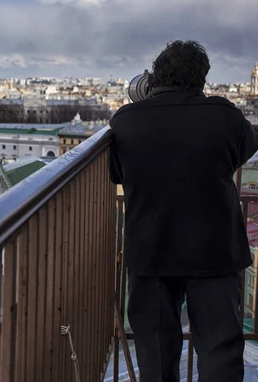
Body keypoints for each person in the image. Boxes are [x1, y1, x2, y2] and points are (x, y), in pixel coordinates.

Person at [109, 40, 258, 382]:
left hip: (150, 250)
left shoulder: (126, 120)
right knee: (219, 348)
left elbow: (117, 173)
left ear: (154, 77)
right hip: (215, 251)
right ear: (202, 78)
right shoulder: (225, 115)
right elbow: (241, 152)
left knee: (156, 352)